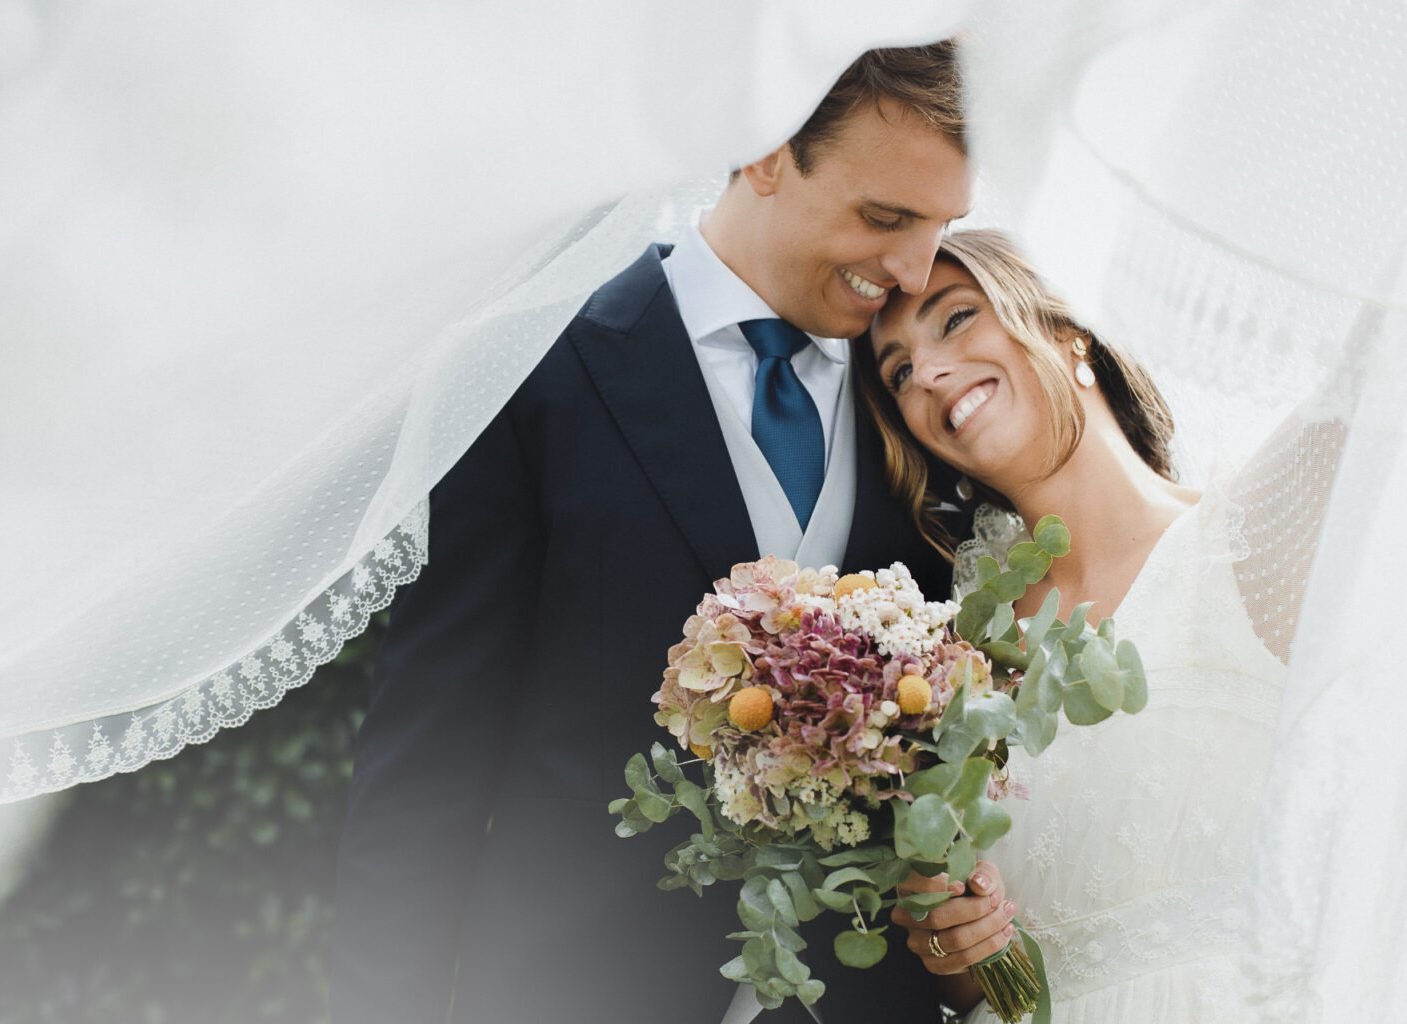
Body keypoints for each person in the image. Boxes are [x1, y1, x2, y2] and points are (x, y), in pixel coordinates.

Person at [330, 45, 974, 1024]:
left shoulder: (926, 402)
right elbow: (430, 762)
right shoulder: (537, 361)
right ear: (765, 150)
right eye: (885, 218)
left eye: (940, 227)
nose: (914, 269)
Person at [859, 229, 1307, 1021]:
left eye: (956, 318)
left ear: (1069, 328)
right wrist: (955, 947)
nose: (925, 373)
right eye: (898, 372)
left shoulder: (1259, 535)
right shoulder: (950, 670)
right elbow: (998, 991)